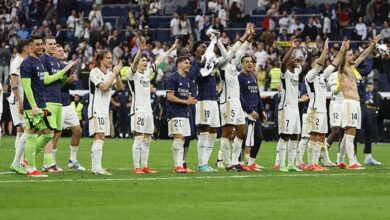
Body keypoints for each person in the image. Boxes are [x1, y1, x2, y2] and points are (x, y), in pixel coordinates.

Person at [21, 34, 77, 177]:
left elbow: (44, 82)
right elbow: (27, 86)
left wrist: (65, 77)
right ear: (30, 46)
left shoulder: (39, 61)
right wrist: (33, 105)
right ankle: (30, 166)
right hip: (35, 105)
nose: (40, 46)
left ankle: (27, 162)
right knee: (35, 135)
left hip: (42, 103)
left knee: (46, 134)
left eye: (41, 44)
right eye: (38, 44)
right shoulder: (28, 63)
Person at [129, 38, 179, 174]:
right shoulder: (132, 74)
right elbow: (133, 65)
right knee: (138, 138)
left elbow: (159, 60)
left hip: (148, 111)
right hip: (138, 110)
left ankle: (145, 166)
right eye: (142, 60)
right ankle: (136, 166)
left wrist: (172, 48)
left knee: (147, 139)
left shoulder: (146, 73)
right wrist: (140, 51)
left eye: (146, 60)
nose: (145, 62)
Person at [337, 34, 381, 170]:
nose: (353, 57)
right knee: (351, 131)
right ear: (345, 57)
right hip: (349, 103)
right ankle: (352, 162)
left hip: (356, 104)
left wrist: (373, 45)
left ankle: (340, 160)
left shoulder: (353, 69)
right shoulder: (342, 70)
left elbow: (363, 55)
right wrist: (343, 51)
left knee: (348, 133)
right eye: (350, 55)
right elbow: (340, 60)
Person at [218, 23, 254, 171]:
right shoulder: (221, 64)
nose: (232, 53)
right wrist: (245, 34)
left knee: (242, 131)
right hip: (227, 102)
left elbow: (243, 48)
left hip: (237, 102)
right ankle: (226, 163)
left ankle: (235, 161)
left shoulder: (233, 64)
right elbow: (235, 49)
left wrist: (251, 35)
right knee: (227, 132)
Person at [275, 39, 311, 172]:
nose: (295, 59)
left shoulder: (296, 72)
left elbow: (306, 64)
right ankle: (282, 164)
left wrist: (309, 51)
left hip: (295, 108)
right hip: (286, 108)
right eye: (293, 57)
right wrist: (292, 47)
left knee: (295, 136)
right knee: (285, 136)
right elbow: (283, 62)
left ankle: (291, 164)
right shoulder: (285, 73)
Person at [88, 50, 124, 175]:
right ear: (100, 60)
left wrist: (117, 74)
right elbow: (103, 87)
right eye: (108, 58)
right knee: (100, 136)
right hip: (96, 108)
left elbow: (120, 87)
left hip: (104, 109)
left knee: (100, 137)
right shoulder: (94, 72)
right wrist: (113, 74)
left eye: (111, 57)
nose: (110, 60)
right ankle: (97, 167)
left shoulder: (110, 73)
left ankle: (95, 167)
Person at [40, 36, 71, 172]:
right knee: (47, 132)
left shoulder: (55, 60)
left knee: (54, 133)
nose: (53, 46)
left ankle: (51, 163)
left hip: (57, 100)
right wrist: (64, 71)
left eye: (54, 44)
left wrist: (66, 76)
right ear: (44, 46)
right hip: (48, 101)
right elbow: (46, 80)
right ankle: (46, 164)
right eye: (50, 44)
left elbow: (59, 83)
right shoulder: (43, 59)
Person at [54, 44, 85, 171]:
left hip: (67, 103)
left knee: (78, 131)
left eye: (62, 50)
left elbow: (72, 86)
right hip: (56, 103)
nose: (62, 52)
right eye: (59, 50)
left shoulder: (64, 66)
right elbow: (52, 84)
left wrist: (72, 80)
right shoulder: (51, 66)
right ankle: (51, 163)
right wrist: (67, 79)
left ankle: (72, 160)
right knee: (56, 134)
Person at [166, 56, 197, 173]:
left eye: (189, 63)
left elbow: (187, 97)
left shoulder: (187, 80)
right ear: (178, 64)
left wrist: (191, 100)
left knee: (183, 139)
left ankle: (181, 166)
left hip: (184, 112)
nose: (188, 65)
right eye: (186, 63)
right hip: (174, 111)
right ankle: (177, 166)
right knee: (178, 137)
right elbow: (170, 96)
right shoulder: (172, 78)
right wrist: (186, 102)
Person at [9, 39, 30, 175]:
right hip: (19, 100)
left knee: (21, 130)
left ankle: (20, 161)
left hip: (22, 99)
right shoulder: (17, 62)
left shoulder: (24, 61)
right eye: (29, 46)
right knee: (26, 129)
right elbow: (14, 83)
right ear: (24, 48)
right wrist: (20, 101)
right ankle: (17, 162)